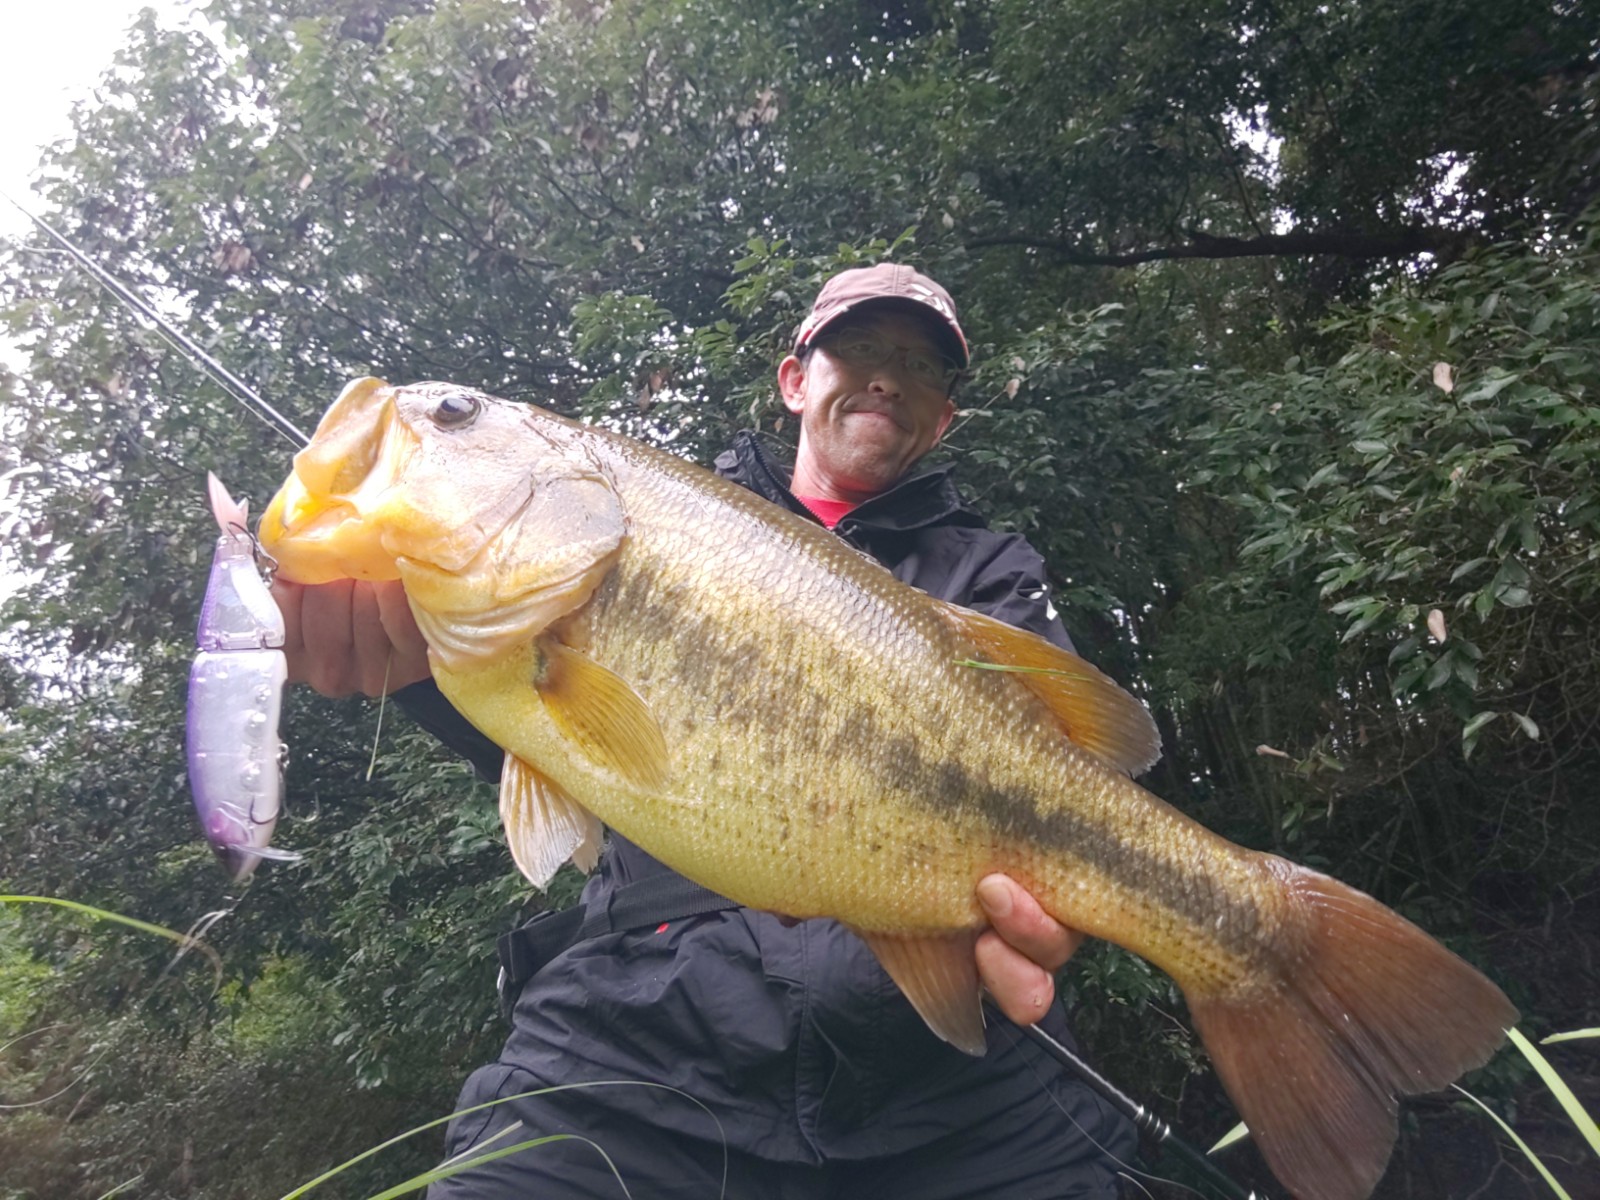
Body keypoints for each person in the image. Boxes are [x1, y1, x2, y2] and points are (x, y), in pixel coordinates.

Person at [274, 264, 1137, 1197]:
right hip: (640, 1031)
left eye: (921, 366)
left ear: (942, 420)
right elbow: (550, 737)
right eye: (861, 349)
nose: (888, 377)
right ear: (796, 379)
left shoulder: (994, 569)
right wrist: (402, 662)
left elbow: (1076, 784)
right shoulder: (646, 518)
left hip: (943, 1070)